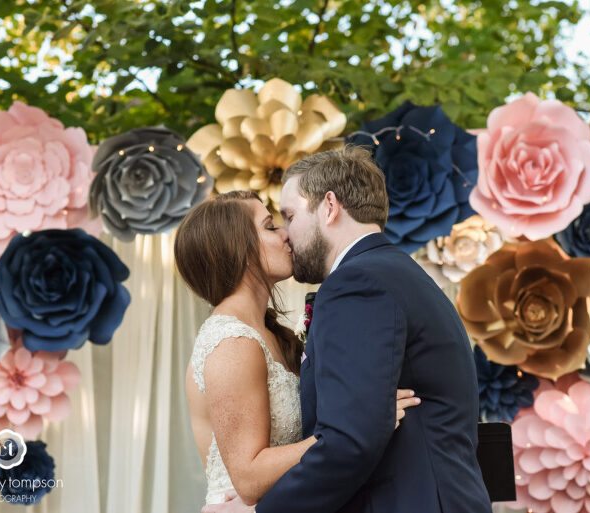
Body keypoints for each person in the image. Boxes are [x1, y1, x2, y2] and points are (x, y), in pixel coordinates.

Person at [199, 145, 491, 513]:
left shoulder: (358, 283)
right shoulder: (395, 272)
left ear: (330, 206)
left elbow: (350, 441)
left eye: (288, 216)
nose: (286, 234)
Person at [174, 189, 420, 508]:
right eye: (270, 226)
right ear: (238, 249)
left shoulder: (267, 333)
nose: (286, 235)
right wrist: (359, 425)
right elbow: (248, 478)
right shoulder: (231, 341)